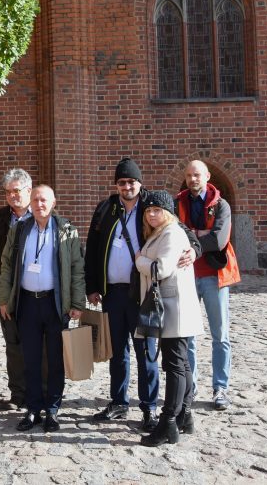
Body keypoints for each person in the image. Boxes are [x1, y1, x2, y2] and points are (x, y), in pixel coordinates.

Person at [85, 158, 200, 431]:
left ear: (139, 183)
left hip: (143, 293)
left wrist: (194, 250)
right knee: (117, 351)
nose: (127, 187)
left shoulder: (152, 205)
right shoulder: (105, 209)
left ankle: (149, 407)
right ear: (116, 184)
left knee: (146, 352)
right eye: (122, 182)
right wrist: (92, 286)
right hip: (112, 292)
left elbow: (183, 231)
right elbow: (92, 248)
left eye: (131, 182)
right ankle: (118, 402)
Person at [0, 185, 85, 432]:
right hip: (26, 302)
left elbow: (77, 268)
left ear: (53, 202)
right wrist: (4, 299)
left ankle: (53, 409)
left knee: (55, 360)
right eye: (35, 200)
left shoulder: (66, 230)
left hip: (54, 303)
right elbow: (6, 264)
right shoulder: (20, 229)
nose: (39, 204)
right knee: (30, 359)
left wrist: (77, 303)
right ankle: (33, 408)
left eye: (44, 200)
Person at [135, 190, 203, 446]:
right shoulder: (160, 233)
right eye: (148, 211)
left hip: (175, 307)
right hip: (171, 305)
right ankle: (184, 415)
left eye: (157, 210)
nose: (151, 215)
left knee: (174, 364)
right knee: (181, 363)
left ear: (167, 212)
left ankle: (168, 422)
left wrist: (140, 260)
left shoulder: (171, 233)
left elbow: (160, 269)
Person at [176, 160, 241, 411]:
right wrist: (201, 233)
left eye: (197, 175)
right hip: (187, 275)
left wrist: (192, 236)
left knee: (220, 335)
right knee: (188, 334)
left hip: (215, 275)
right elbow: (175, 233)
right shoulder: (178, 203)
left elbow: (219, 240)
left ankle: (220, 388)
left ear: (207, 176)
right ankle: (190, 387)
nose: (193, 179)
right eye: (189, 175)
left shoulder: (221, 205)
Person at [0, 168, 33, 408]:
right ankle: (19, 393)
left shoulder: (43, 215)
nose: (12, 196)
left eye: (16, 191)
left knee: (40, 345)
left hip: (36, 292)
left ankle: (40, 393)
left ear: (28, 190)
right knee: (13, 345)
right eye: (7, 192)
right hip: (8, 294)